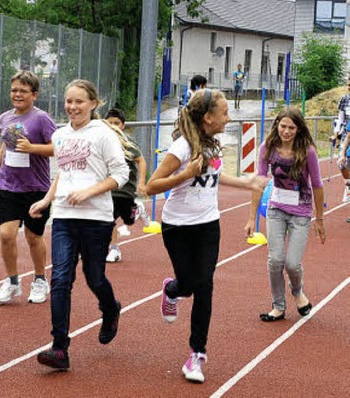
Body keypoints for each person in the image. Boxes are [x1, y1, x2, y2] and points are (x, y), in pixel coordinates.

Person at [145, 89, 267, 383]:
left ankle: (196, 354)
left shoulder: (214, 143)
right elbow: (152, 186)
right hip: (177, 226)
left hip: (208, 224)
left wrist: (245, 183)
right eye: (225, 113)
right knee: (188, 284)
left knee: (205, 286)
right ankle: (172, 290)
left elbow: (214, 176)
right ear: (208, 117)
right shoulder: (182, 147)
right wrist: (185, 175)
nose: (229, 117)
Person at [29, 79, 129, 370]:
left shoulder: (103, 134)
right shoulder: (59, 136)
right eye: (69, 101)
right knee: (60, 278)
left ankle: (110, 308)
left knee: (94, 277)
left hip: (96, 217)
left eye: (79, 102)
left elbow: (120, 174)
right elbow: (62, 173)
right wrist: (47, 200)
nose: (73, 107)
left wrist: (89, 191)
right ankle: (59, 347)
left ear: (93, 104)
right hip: (63, 216)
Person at [244, 107, 326, 322]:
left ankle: (297, 292)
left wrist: (320, 219)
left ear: (298, 129)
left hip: (301, 212)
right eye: (283, 126)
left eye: (291, 127)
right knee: (275, 260)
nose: (286, 131)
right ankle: (278, 306)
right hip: (276, 209)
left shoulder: (307, 151)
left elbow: (317, 185)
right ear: (277, 125)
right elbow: (259, 183)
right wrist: (252, 217)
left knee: (292, 263)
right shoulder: (267, 148)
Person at [0, 71, 56, 304]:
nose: (17, 94)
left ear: (34, 94)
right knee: (6, 235)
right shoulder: (5, 117)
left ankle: (40, 280)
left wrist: (32, 148)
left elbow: (57, 148)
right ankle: (13, 282)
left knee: (33, 237)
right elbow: (7, 145)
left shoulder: (41, 119)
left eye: (23, 91)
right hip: (8, 186)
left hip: (36, 187)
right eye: (14, 90)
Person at [104, 108, 150, 263]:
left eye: (116, 123)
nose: (113, 126)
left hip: (126, 190)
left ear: (123, 125)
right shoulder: (102, 142)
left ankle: (137, 210)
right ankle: (114, 250)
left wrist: (141, 182)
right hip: (109, 189)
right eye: (109, 123)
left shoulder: (127, 143)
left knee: (128, 220)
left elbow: (141, 160)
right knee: (107, 220)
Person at [331, 77, 350, 202]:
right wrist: (335, 134)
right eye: (348, 85)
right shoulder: (345, 99)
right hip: (346, 134)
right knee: (341, 163)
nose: (349, 87)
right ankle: (348, 186)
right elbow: (340, 119)